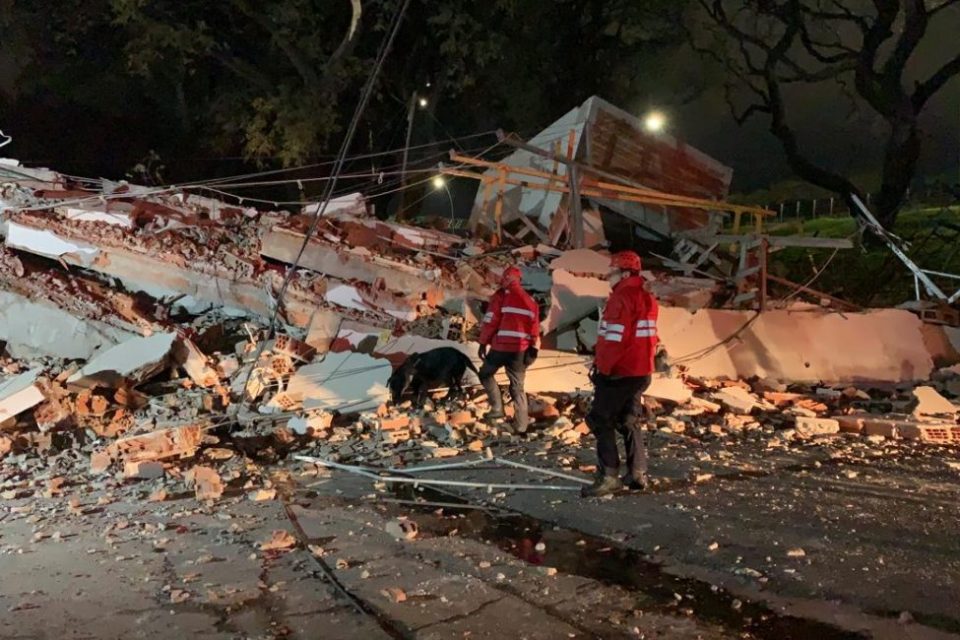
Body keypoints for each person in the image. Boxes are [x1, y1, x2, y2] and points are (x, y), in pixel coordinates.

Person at [582, 251, 659, 498]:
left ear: (625, 273)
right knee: (628, 420)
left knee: (599, 419)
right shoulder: (648, 298)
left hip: (620, 371)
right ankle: (637, 473)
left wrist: (602, 369)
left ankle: (609, 476)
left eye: (612, 272)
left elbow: (615, 340)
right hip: (641, 370)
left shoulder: (620, 298)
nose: (608, 277)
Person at [477, 265, 540, 433]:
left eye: (504, 278)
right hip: (520, 351)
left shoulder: (500, 296)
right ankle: (521, 425)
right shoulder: (531, 301)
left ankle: (497, 409)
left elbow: (491, 321)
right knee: (517, 387)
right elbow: (535, 330)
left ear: (507, 279)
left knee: (485, 373)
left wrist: (483, 343)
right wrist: (533, 350)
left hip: (500, 348)